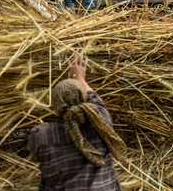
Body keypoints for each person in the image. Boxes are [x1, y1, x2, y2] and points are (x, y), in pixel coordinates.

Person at [27, 56, 125, 190]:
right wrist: (80, 78)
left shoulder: (40, 134)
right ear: (84, 99)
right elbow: (95, 100)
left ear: (55, 105)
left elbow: (35, 156)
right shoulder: (100, 121)